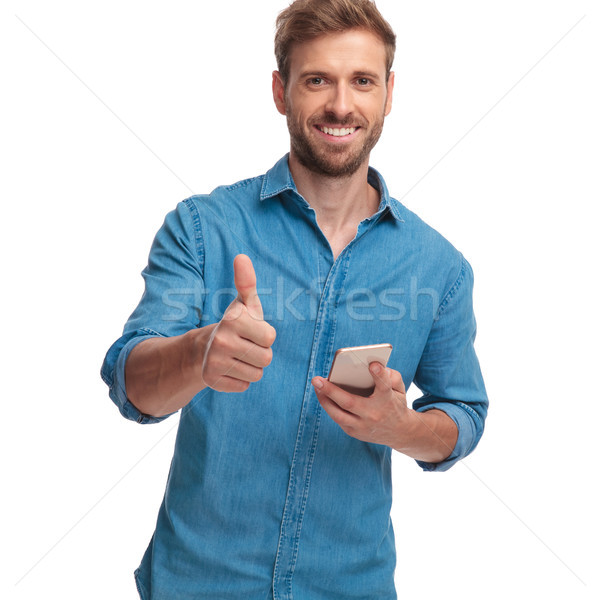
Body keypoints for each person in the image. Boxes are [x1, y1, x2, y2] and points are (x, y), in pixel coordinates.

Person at [101, 0, 488, 598]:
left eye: (362, 81)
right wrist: (199, 354)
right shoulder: (203, 229)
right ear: (281, 92)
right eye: (317, 80)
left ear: (389, 94)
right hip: (198, 584)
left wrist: (402, 426)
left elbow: (463, 413)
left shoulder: (439, 268)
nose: (340, 104)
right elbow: (131, 385)